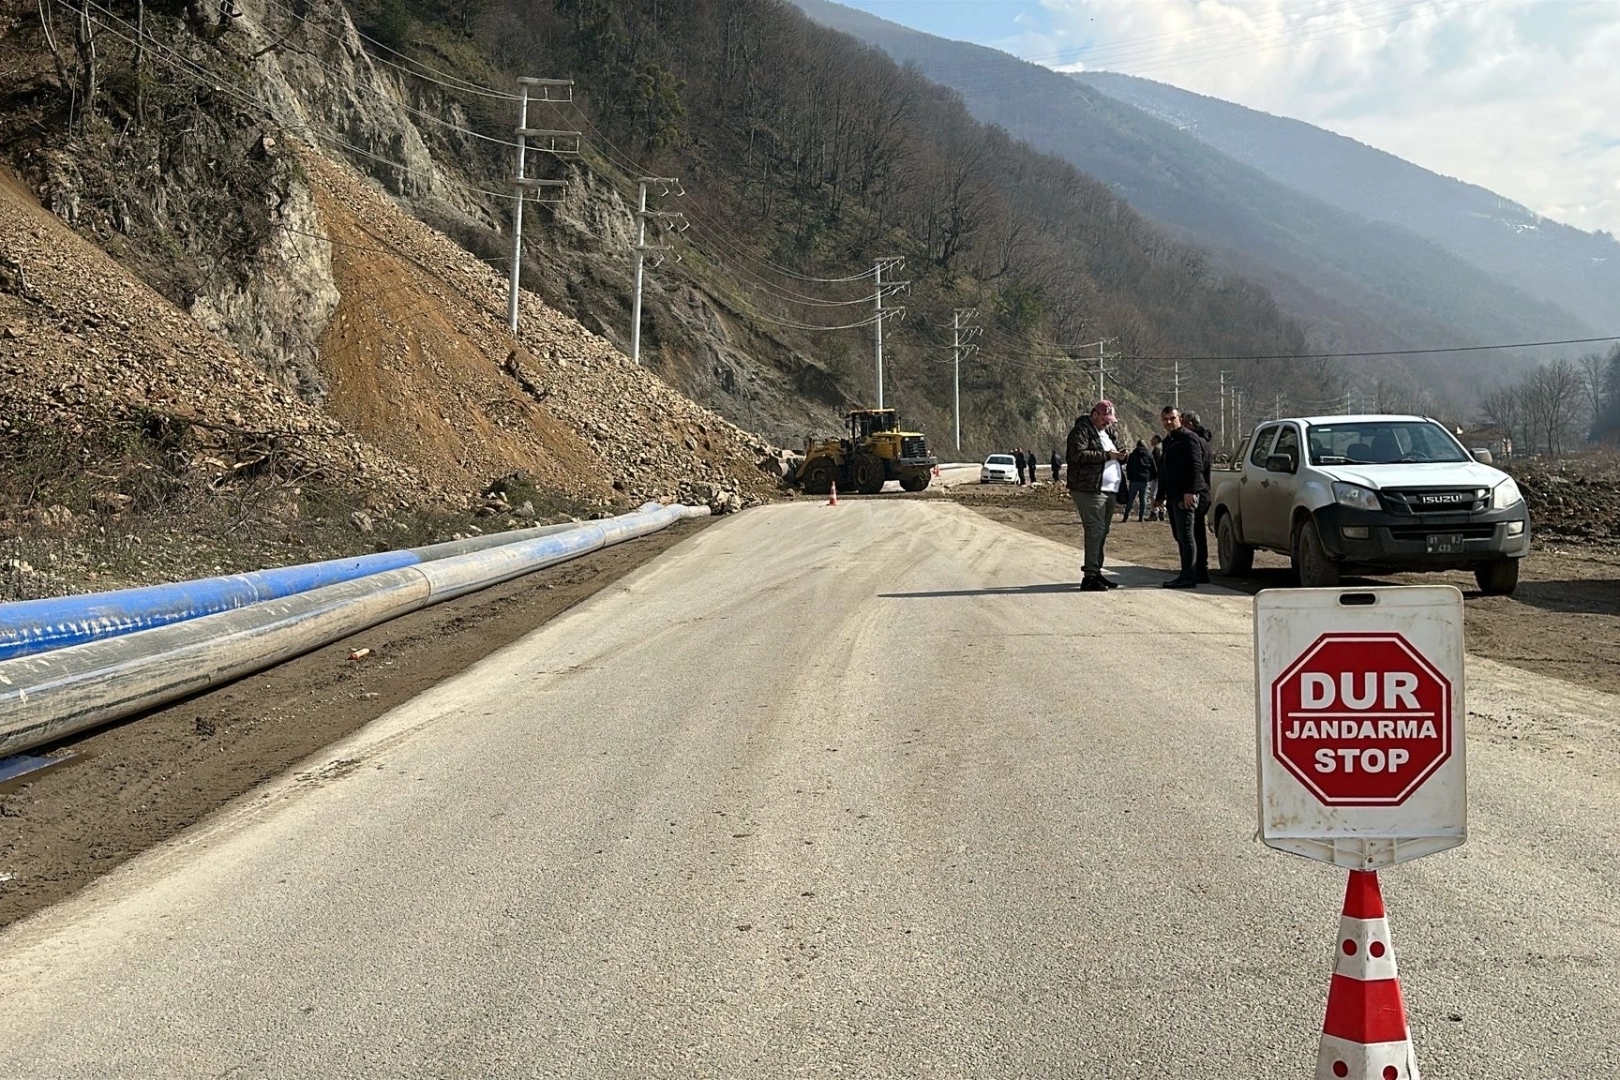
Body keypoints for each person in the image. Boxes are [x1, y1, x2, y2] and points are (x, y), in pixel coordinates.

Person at [1066, 399, 1129, 592]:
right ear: (1095, 414)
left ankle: (1096, 570)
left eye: (1110, 420)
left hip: (1109, 490)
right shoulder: (1081, 431)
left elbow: (1112, 454)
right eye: (1105, 419)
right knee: (1095, 530)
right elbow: (1077, 455)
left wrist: (1121, 456)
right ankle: (1090, 576)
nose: (1107, 423)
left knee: (1102, 532)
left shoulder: (1108, 433)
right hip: (1089, 489)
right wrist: (1108, 455)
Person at [1155, 406, 1209, 589]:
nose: (1169, 422)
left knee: (1187, 536)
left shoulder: (1188, 438)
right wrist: (1160, 495)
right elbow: (1164, 470)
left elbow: (1196, 466)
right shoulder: (1168, 441)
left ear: (1180, 419)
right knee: (1179, 535)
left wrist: (1191, 491)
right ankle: (1187, 572)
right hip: (1172, 495)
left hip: (1185, 495)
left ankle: (1188, 576)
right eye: (1165, 419)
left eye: (1172, 418)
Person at [1181, 411, 1214, 582]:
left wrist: (1191, 491)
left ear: (1190, 424)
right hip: (1203, 491)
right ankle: (1200, 569)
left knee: (1192, 534)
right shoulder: (1204, 441)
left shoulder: (1194, 442)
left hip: (1196, 492)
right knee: (1197, 533)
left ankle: (1196, 570)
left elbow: (1196, 469)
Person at [1121, 439, 1155, 522]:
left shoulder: (1132, 455)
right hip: (1144, 480)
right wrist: (1149, 478)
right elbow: (1154, 469)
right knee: (1143, 499)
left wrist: (1129, 477)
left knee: (1130, 499)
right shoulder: (1149, 456)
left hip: (1134, 480)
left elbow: (1128, 467)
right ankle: (1141, 517)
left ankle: (1126, 516)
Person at [1149, 435, 1166, 521]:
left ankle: (1154, 512)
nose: (1151, 440)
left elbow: (1157, 463)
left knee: (1153, 495)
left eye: (1152, 439)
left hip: (1157, 476)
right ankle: (1162, 512)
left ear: (1156, 439)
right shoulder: (1163, 448)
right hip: (1163, 476)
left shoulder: (1157, 449)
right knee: (1162, 494)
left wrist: (1155, 473)